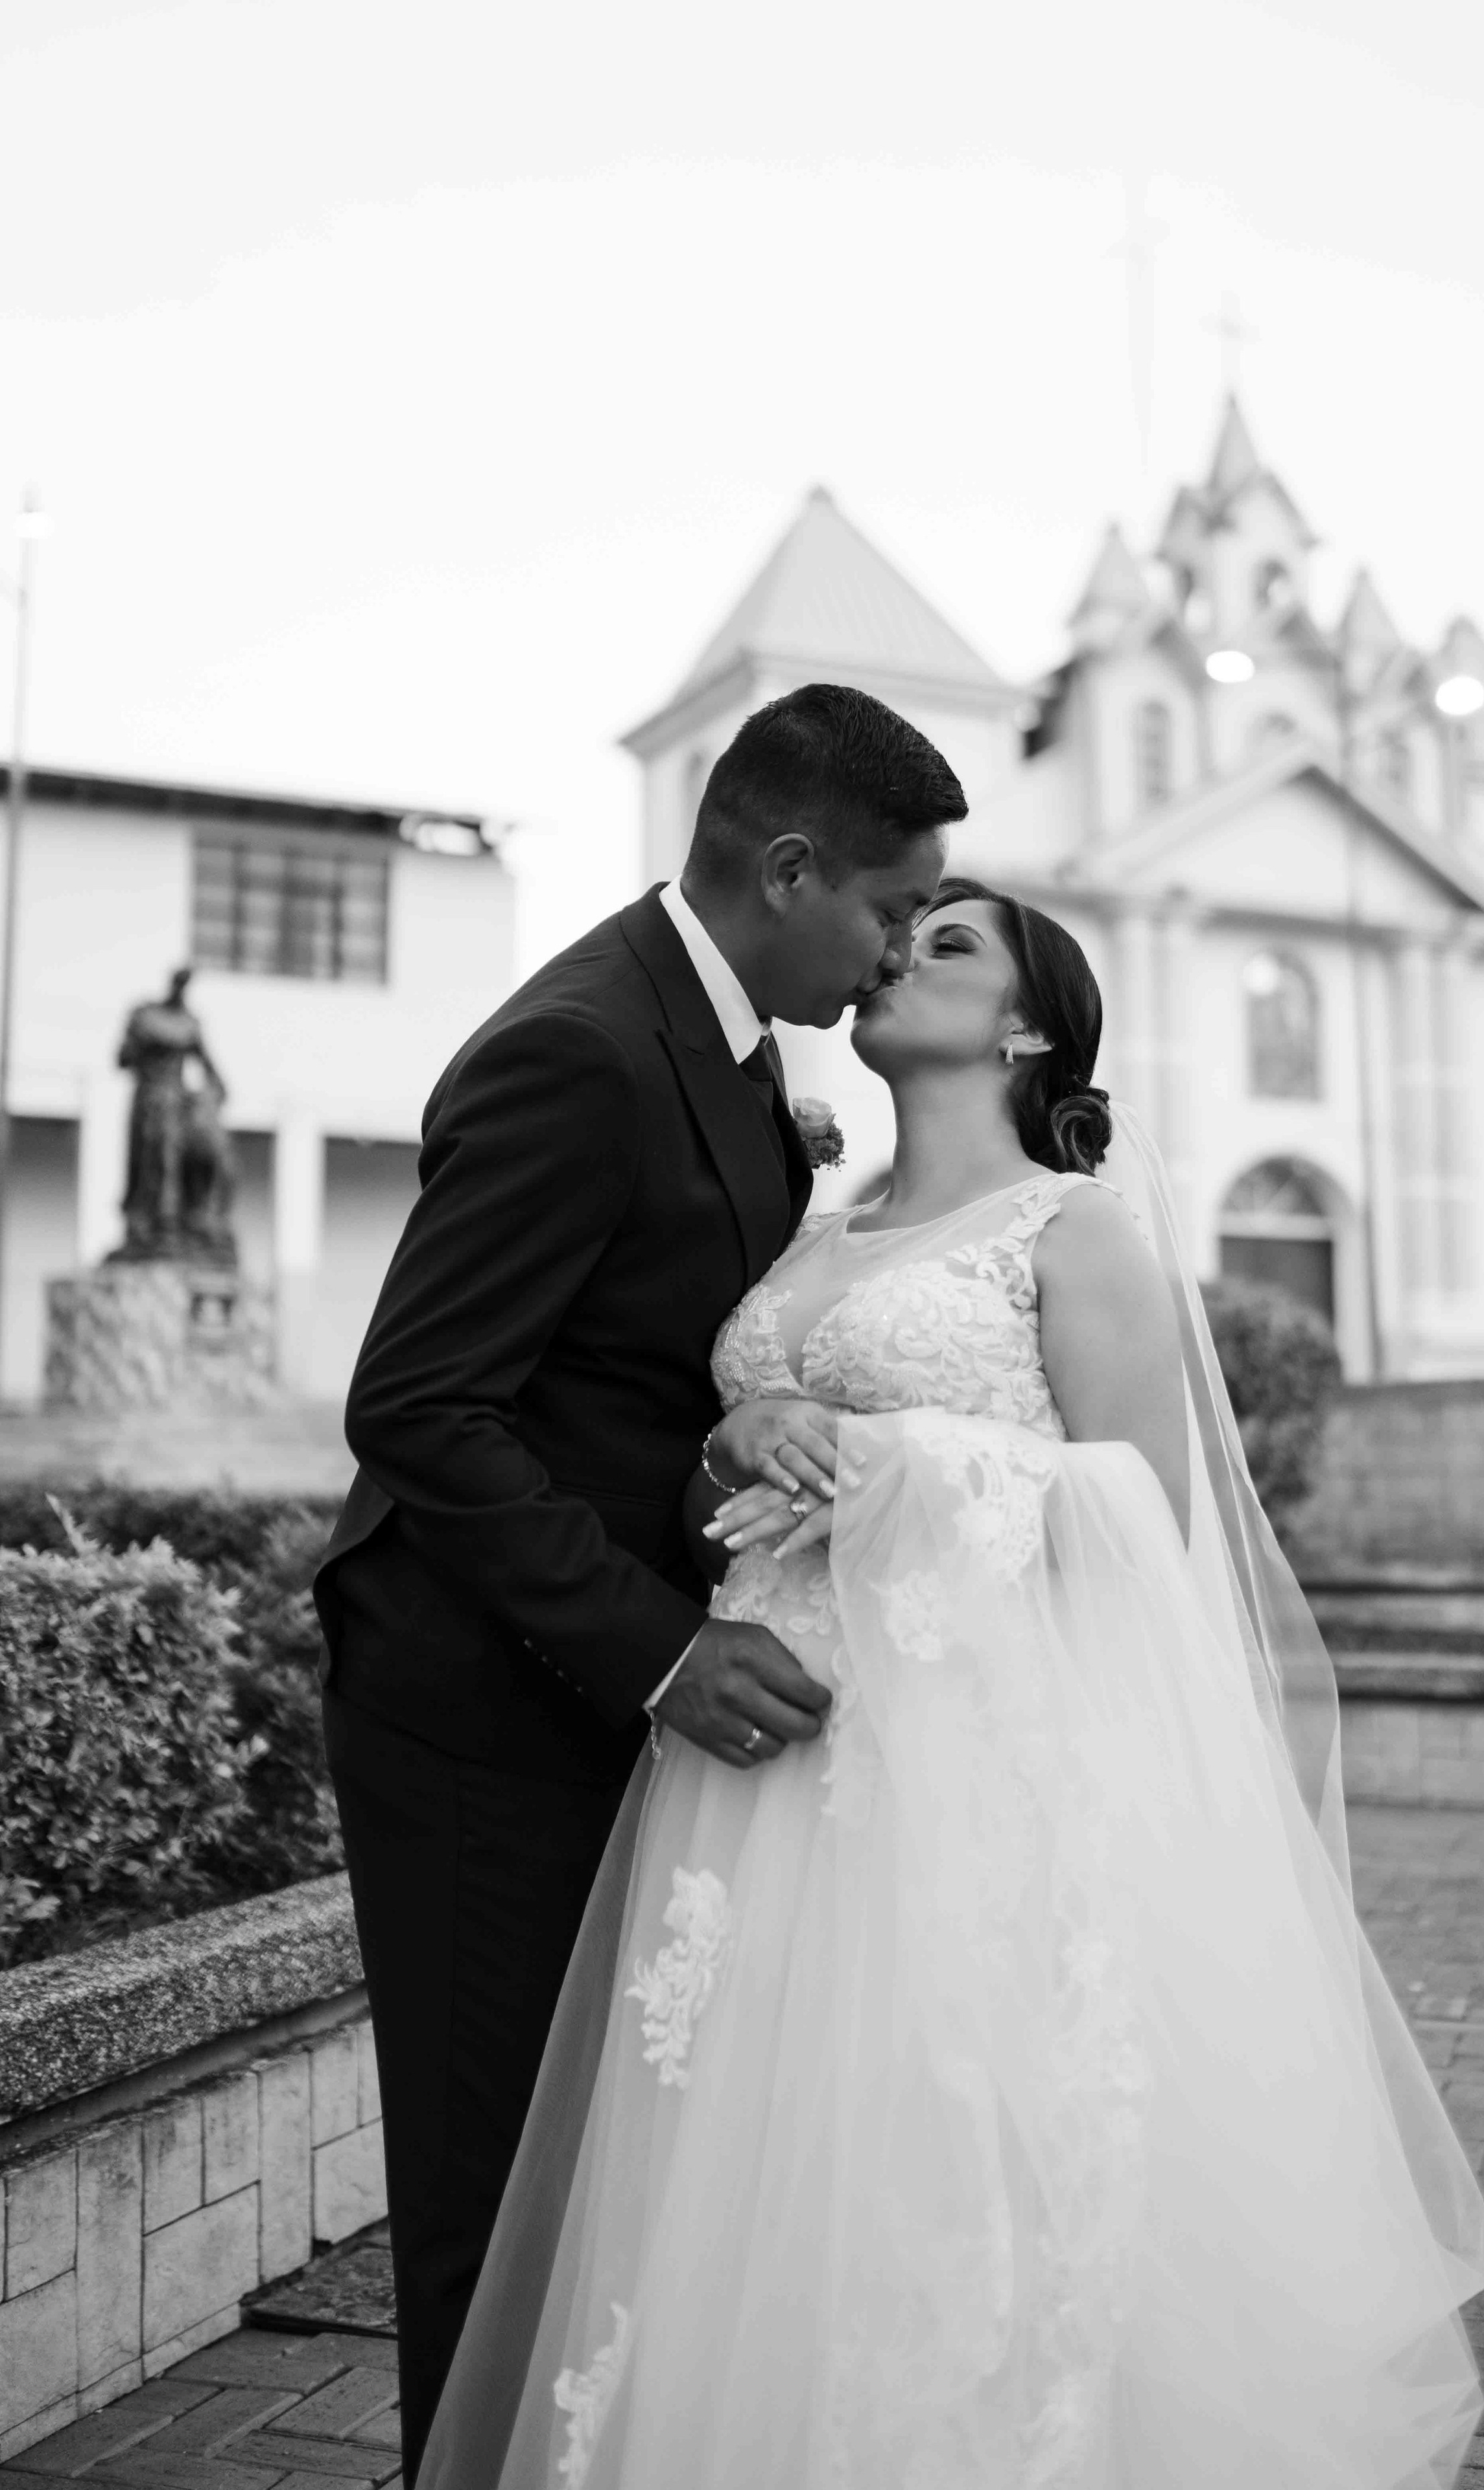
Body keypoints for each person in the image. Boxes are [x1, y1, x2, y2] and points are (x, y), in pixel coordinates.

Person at [418, 877, 1484, 2490]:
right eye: (899, 929)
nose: (896, 953)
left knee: (948, 2177)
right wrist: (732, 1432)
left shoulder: (1073, 1234)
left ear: (1022, 1027)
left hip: (959, 1780)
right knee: (749, 2182)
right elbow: (728, 1441)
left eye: (950, 943)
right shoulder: (805, 1235)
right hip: (749, 1774)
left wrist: (895, 1459)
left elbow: (1144, 1522)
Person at [311, 684, 965, 2485]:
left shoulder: (751, 1060)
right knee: (490, 2179)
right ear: (787, 866)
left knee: (604, 2183)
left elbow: (649, 1380)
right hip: (470, 1708)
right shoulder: (583, 1045)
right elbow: (422, 1404)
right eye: (895, 906)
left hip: (596, 1692)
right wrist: (665, 1653)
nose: (907, 945)